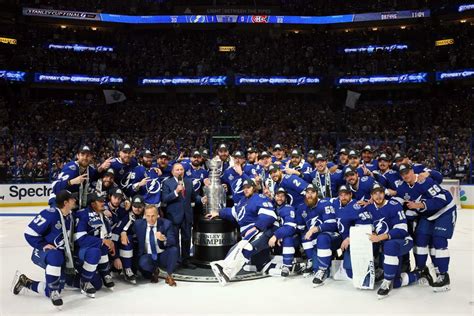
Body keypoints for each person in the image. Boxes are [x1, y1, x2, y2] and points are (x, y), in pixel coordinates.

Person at [394, 163, 456, 292]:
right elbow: (397, 201)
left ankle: (444, 276)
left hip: (444, 211)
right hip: (427, 215)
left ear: (412, 171)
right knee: (420, 240)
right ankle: (421, 269)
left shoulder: (425, 181)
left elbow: (442, 198)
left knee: (439, 240)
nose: (405, 175)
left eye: (407, 172)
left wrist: (420, 205)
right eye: (402, 174)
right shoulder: (402, 187)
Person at [13, 190, 78, 308]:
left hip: (61, 256)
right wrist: (42, 245)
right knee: (56, 256)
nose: (75, 200)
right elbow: (29, 232)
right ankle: (53, 291)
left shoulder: (70, 215)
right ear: (65, 202)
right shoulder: (50, 214)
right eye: (72, 198)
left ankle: (26, 282)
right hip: (44, 253)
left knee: (55, 289)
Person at [207, 179, 277, 285]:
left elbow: (270, 215)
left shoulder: (259, 198)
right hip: (248, 233)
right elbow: (233, 212)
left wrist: (257, 227)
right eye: (244, 188)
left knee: (245, 248)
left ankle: (225, 269)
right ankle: (225, 271)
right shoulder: (242, 201)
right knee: (238, 248)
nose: (245, 190)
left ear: (254, 188)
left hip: (259, 231)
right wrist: (218, 213)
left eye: (248, 187)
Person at [366, 183, 418, 299]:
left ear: (384, 194)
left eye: (380, 192)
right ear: (371, 196)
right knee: (397, 282)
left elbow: (402, 230)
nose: (378, 196)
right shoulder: (369, 208)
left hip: (402, 240)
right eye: (375, 193)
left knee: (389, 245)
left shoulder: (394, 205)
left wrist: (380, 237)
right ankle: (417, 274)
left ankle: (388, 281)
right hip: (387, 244)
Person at [162, 163, 206, 269]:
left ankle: (186, 260)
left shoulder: (188, 181)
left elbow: (194, 197)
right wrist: (176, 192)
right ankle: (176, 261)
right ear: (172, 172)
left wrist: (201, 199)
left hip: (187, 215)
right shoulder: (167, 183)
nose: (180, 171)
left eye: (181, 169)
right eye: (177, 170)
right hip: (173, 216)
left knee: (186, 239)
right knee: (175, 240)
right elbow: (164, 199)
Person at [74, 192, 115, 297]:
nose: (103, 203)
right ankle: (82, 281)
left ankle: (105, 273)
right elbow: (81, 239)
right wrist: (102, 241)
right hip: (80, 251)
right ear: (92, 204)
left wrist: (110, 243)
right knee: (97, 284)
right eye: (100, 201)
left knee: (104, 245)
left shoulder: (102, 216)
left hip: (93, 250)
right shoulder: (83, 215)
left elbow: (107, 235)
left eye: (103, 200)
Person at [299, 184, 340, 286]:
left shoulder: (324, 204)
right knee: (305, 236)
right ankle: (311, 261)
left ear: (317, 194)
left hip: (333, 236)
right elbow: (299, 226)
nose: (310, 195)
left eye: (312, 192)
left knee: (322, 238)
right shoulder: (303, 208)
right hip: (318, 238)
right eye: (307, 193)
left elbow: (332, 224)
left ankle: (323, 270)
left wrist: (315, 229)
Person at [134, 205, 179, 286]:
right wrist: (123, 233)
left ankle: (169, 275)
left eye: (153, 216)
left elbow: (173, 240)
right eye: (148, 216)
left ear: (157, 215)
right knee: (143, 263)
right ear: (145, 215)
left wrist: (164, 239)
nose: (150, 219)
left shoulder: (166, 224)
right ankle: (154, 271)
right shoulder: (138, 224)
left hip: (162, 255)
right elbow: (129, 231)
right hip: (148, 256)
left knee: (174, 250)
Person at [111, 195, 145, 284]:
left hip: (139, 250)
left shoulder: (147, 216)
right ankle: (127, 268)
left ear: (144, 206)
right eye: (135, 206)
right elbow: (114, 236)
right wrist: (116, 257)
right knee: (128, 239)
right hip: (125, 248)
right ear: (131, 206)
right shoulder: (126, 218)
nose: (137, 209)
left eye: (140, 207)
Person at [269, 187, 297, 277]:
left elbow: (290, 227)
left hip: (292, 236)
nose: (280, 198)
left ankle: (287, 266)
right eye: (278, 195)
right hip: (277, 237)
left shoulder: (289, 208)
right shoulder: (272, 207)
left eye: (282, 196)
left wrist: (276, 236)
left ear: (285, 198)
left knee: (287, 238)